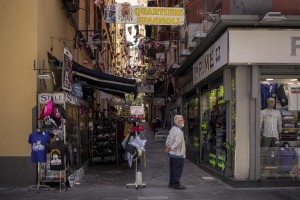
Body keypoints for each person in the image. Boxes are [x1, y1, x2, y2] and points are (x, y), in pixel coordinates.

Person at [165, 115, 186, 190]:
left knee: (172, 169)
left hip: (172, 154)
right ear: (178, 121)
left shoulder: (172, 129)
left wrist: (168, 147)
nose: (184, 121)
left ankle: (171, 183)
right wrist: (171, 147)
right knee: (177, 169)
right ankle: (176, 184)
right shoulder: (179, 131)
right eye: (182, 120)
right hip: (178, 154)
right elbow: (177, 141)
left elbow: (168, 139)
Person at [260, 97, 282, 165]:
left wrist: (280, 133)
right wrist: (259, 134)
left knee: (275, 151)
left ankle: (274, 166)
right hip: (266, 135)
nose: (273, 103)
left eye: (274, 101)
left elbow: (279, 123)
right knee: (265, 151)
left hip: (275, 135)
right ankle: (264, 165)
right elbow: (260, 124)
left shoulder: (277, 112)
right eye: (271, 101)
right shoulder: (263, 112)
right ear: (268, 102)